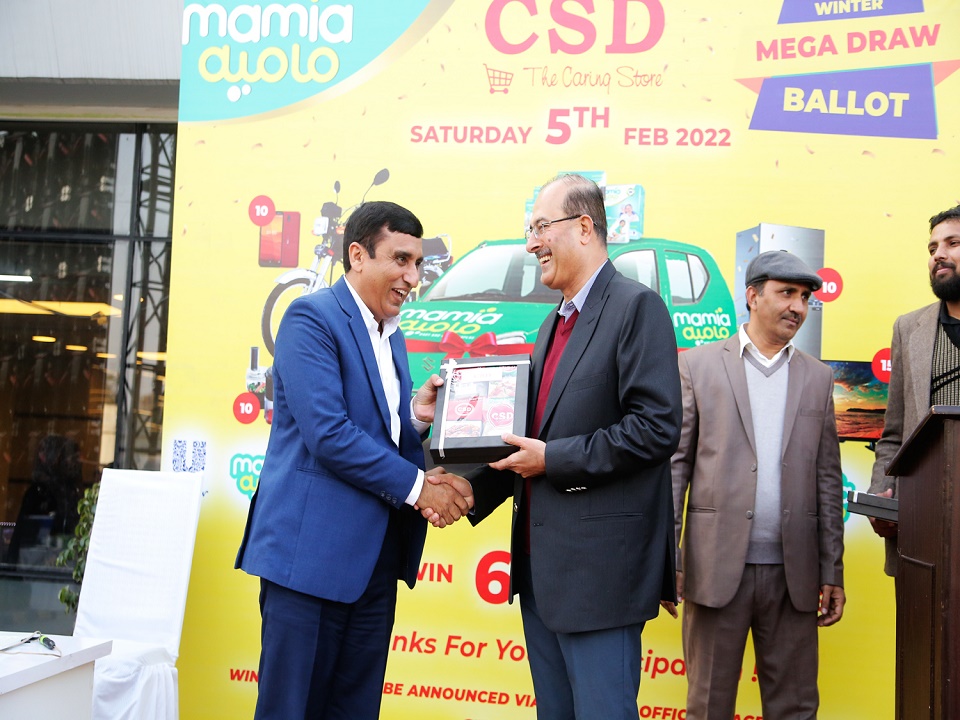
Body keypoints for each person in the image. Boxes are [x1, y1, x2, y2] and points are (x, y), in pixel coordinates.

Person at [431, 173, 682, 719]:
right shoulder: (551, 325)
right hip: (541, 574)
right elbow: (531, 438)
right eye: (529, 230)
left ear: (585, 227)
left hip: (600, 581)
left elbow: (657, 427)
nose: (531, 243)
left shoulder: (636, 308)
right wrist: (469, 489)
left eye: (541, 227)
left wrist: (553, 459)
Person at [235, 200, 474, 720]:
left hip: (373, 566)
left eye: (418, 264)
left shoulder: (394, 336)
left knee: (355, 710)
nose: (412, 277)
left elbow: (373, 430)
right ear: (358, 255)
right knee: (291, 709)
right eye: (400, 259)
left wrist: (414, 419)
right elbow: (330, 434)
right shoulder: (311, 317)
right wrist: (422, 488)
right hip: (309, 565)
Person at [670, 250, 845, 720]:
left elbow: (828, 480)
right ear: (752, 296)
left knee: (795, 708)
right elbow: (675, 469)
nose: (797, 307)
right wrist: (670, 557)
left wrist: (832, 570)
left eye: (805, 298)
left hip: (795, 576)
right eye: (787, 293)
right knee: (708, 706)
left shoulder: (818, 377)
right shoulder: (699, 366)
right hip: (713, 570)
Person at [868, 205, 960, 576]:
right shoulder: (908, 329)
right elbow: (893, 434)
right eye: (933, 247)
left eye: (953, 243)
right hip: (924, 527)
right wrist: (880, 497)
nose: (939, 254)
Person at [6, 434, 82, 565]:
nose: (75, 463)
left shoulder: (69, 491)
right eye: (64, 456)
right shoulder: (38, 493)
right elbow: (23, 538)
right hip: (37, 563)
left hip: (60, 562)